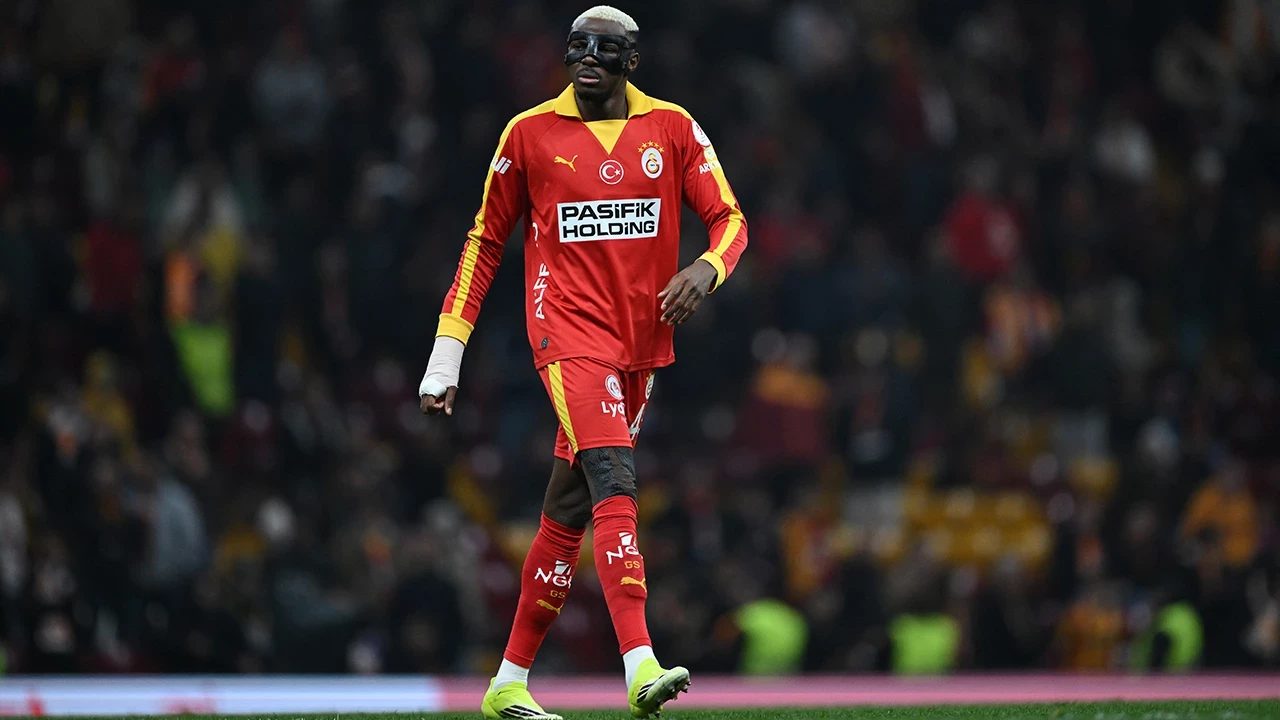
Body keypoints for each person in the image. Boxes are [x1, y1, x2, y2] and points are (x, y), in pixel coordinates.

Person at [418, 5, 748, 718]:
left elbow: (731, 221)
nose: (586, 58)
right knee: (613, 475)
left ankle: (508, 682)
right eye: (576, 46)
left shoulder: (672, 128)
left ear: (633, 59)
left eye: (603, 48)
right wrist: (448, 353)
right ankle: (640, 662)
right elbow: (484, 242)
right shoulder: (529, 134)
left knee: (567, 507)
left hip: (640, 344)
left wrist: (707, 269)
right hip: (565, 332)